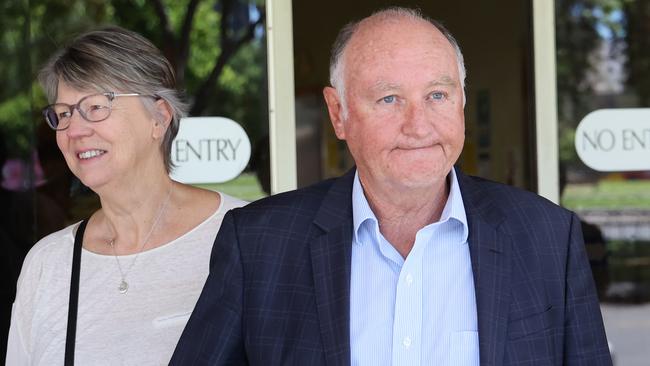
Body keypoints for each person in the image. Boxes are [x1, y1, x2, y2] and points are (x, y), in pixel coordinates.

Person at [172, 7, 612, 366]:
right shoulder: (257, 244)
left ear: (460, 100)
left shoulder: (549, 237)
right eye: (389, 99)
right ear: (339, 112)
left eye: (437, 95)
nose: (418, 126)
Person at [6, 27, 246, 365]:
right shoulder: (48, 265)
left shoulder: (248, 240)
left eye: (96, 106)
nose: (74, 130)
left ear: (159, 117)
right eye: (62, 114)